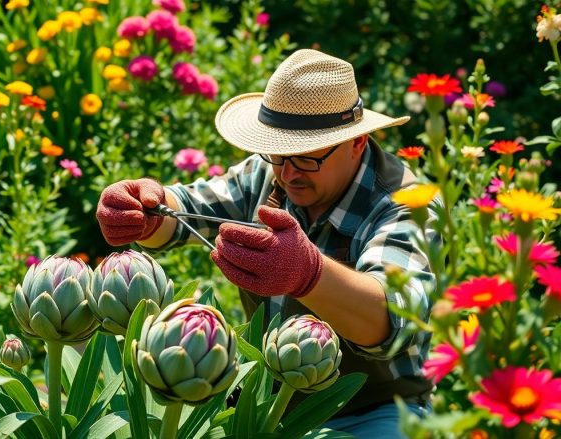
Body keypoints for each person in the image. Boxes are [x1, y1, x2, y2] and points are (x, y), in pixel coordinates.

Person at [96, 49, 436, 437]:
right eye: (277, 152)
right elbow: (187, 209)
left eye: (307, 157)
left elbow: (392, 320)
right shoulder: (272, 172)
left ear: (357, 143)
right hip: (262, 403)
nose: (287, 172)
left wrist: (308, 274)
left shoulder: (407, 204)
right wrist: (143, 210)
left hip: (372, 411)